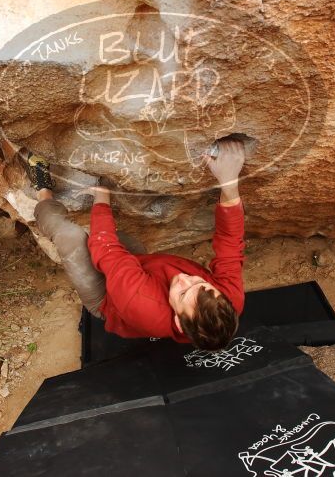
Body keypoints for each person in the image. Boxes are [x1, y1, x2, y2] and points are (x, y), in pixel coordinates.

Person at [25, 139, 246, 351]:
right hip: (143, 268)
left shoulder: (142, 303)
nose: (183, 278)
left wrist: (102, 197)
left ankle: (42, 188)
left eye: (182, 294)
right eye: (199, 282)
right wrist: (229, 182)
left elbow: (106, 249)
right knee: (114, 236)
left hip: (105, 296)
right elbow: (230, 242)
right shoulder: (228, 299)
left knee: (70, 236)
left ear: (179, 323)